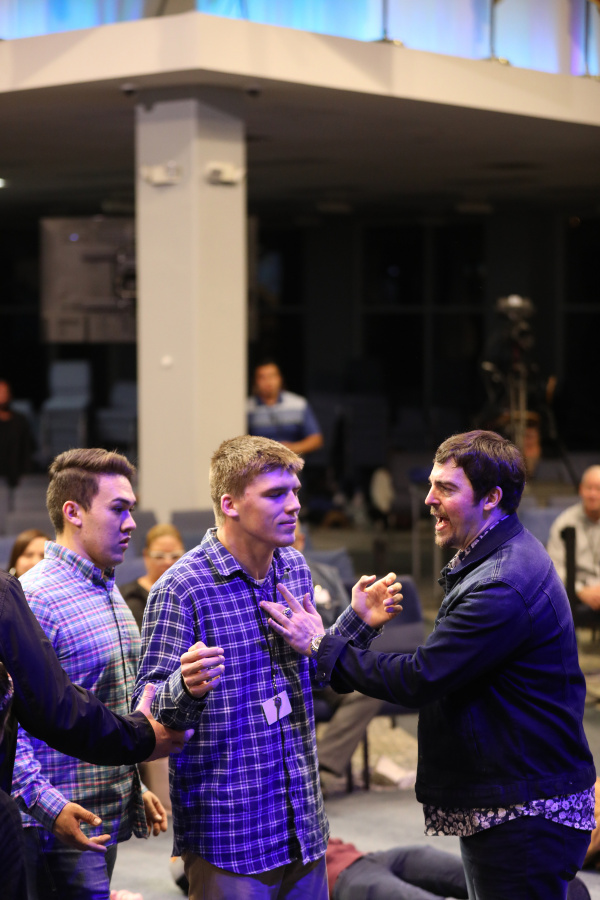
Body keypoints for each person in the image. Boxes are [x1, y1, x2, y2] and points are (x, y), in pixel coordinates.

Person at [262, 430, 596, 900]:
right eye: (431, 484)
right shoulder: (502, 556)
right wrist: (347, 629)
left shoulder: (502, 583)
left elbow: (420, 677)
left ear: (491, 498)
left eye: (446, 488)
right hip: (521, 793)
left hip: (523, 809)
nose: (428, 499)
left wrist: (319, 643)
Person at [133, 434, 401, 899]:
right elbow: (152, 713)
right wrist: (185, 686)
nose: (294, 504)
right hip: (231, 835)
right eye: (276, 494)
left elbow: (311, 675)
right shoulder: (182, 588)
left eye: (294, 491)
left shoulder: (294, 568)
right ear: (230, 504)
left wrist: (355, 623)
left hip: (302, 823)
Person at [11, 448, 187, 899]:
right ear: (73, 512)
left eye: (131, 509)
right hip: (53, 828)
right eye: (118, 509)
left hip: (98, 817)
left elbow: (107, 704)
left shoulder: (106, 589)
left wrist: (132, 785)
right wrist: (49, 807)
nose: (131, 523)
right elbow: (9, 726)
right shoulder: (35, 598)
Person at [293, 524, 384, 786]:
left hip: (325, 666)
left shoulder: (327, 575)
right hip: (287, 673)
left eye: (293, 538)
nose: (288, 544)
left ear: (302, 541)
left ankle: (320, 768)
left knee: (369, 689)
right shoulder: (264, 577)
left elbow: (349, 629)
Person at [547, 465, 600, 612]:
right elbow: (554, 566)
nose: (593, 494)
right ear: (581, 489)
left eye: (598, 489)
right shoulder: (564, 523)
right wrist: (580, 590)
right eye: (589, 488)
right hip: (573, 595)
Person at [247, 360, 324, 456]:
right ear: (255, 381)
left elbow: (316, 439)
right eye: (262, 377)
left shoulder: (298, 404)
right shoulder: (247, 408)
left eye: (271, 376)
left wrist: (292, 448)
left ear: (280, 378)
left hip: (291, 460)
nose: (268, 381)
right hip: (258, 461)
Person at [120, 523, 185, 631]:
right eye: (159, 556)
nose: (168, 562)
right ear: (146, 556)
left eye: (175, 556)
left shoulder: (193, 593)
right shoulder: (129, 596)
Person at [0, 379, 34, 487]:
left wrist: (26, 473)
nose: (2, 395)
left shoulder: (20, 421)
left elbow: (27, 447)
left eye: (4, 392)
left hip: (19, 478)